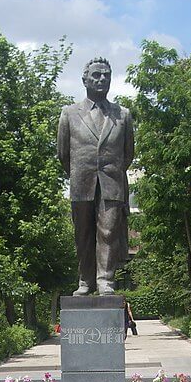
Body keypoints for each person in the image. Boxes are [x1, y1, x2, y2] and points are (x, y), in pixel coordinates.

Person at [57, 57, 134, 296]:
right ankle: (85, 281)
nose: (102, 79)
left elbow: (128, 154)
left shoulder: (123, 114)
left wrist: (110, 170)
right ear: (85, 79)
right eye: (96, 75)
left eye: (106, 75)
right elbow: (63, 154)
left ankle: (105, 281)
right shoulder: (69, 113)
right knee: (83, 234)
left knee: (108, 232)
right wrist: (82, 171)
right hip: (81, 183)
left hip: (112, 183)